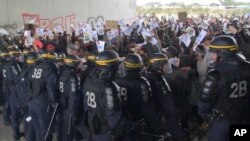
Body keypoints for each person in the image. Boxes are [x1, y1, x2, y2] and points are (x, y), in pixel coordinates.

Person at [198, 35, 250, 141]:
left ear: (223, 53)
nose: (212, 56)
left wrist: (206, 116)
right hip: (244, 117)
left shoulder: (215, 74)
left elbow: (204, 103)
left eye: (213, 53)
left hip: (222, 122)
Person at [82, 50, 138, 141]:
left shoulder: (89, 80)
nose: (119, 69)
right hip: (106, 133)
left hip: (93, 129)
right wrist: (133, 126)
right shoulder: (107, 87)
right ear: (110, 68)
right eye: (117, 66)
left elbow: (86, 107)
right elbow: (114, 121)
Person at [115, 53, 164, 141]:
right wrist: (157, 128)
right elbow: (148, 109)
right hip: (137, 123)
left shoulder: (116, 81)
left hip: (121, 123)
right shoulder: (142, 83)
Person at [144, 53, 189, 141]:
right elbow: (168, 103)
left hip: (151, 118)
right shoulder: (160, 80)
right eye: (165, 64)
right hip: (164, 116)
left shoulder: (145, 77)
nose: (166, 67)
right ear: (159, 66)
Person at [26, 50, 59, 141]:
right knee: (46, 131)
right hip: (42, 104)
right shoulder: (50, 69)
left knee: (37, 129)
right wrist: (54, 102)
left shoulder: (34, 67)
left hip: (32, 102)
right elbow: (51, 89)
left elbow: (28, 84)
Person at [57, 55, 82, 141]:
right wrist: (73, 114)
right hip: (69, 107)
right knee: (68, 132)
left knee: (62, 128)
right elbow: (74, 97)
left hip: (61, 103)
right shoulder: (73, 77)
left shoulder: (61, 72)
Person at [4, 48, 25, 140]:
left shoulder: (6, 64)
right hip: (15, 92)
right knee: (17, 114)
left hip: (10, 91)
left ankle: (16, 133)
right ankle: (17, 134)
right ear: (16, 56)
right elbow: (18, 78)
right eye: (20, 55)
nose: (22, 57)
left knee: (14, 113)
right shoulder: (13, 65)